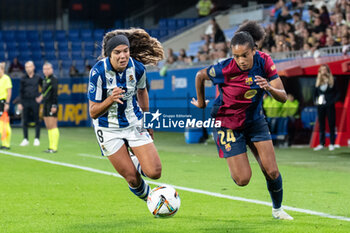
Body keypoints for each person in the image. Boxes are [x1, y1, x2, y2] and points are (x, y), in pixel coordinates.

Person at [191, 21, 293, 220]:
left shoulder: (264, 62)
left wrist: (269, 89)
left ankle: (278, 210)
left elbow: (282, 96)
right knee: (242, 179)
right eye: (236, 56)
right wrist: (202, 103)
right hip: (227, 124)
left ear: (254, 50)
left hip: (254, 121)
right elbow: (200, 75)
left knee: (271, 170)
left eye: (244, 55)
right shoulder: (224, 68)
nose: (240, 60)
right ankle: (235, 152)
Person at [88, 28, 164, 202]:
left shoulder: (137, 68)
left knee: (154, 172)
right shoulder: (98, 72)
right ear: (109, 55)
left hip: (133, 122)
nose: (123, 56)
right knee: (132, 178)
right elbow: (93, 112)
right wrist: (110, 99)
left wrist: (148, 121)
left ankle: (132, 156)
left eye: (126, 51)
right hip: (108, 129)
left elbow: (142, 92)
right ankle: (152, 200)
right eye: (117, 52)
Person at [313, 64, 338, 151]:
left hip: (330, 105)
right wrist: (315, 102)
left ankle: (332, 143)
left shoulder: (333, 80)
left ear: (327, 70)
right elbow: (315, 94)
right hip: (321, 106)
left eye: (325, 69)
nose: (323, 71)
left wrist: (332, 101)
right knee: (321, 124)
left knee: (331, 124)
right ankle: (322, 143)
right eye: (321, 70)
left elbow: (338, 93)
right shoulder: (317, 81)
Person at [18, 61, 42, 147]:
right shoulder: (23, 78)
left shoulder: (38, 77)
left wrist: (41, 97)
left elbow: (44, 88)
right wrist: (20, 103)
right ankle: (25, 139)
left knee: (37, 120)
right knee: (25, 120)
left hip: (34, 101)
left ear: (33, 67)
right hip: (25, 101)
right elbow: (21, 91)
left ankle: (37, 139)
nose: (28, 68)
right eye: (26, 67)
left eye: (29, 66)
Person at [39, 62, 59, 153]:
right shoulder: (44, 80)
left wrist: (54, 105)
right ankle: (50, 146)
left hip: (52, 104)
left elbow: (55, 93)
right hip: (46, 104)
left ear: (52, 69)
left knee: (53, 125)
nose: (46, 71)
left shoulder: (53, 79)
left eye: (48, 69)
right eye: (44, 69)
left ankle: (54, 147)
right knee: (48, 126)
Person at [0, 62, 12, 149]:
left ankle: (6, 144)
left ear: (2, 70)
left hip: (2, 102)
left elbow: (9, 92)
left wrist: (7, 103)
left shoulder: (6, 78)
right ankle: (3, 143)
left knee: (4, 124)